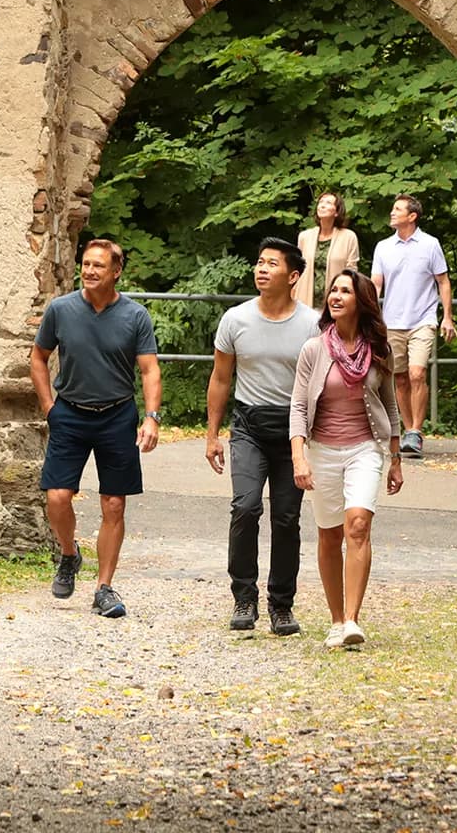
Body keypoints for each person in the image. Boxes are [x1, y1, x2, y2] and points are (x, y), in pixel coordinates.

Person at [29, 238, 162, 619]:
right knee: (57, 496)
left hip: (117, 416)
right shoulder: (61, 309)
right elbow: (38, 358)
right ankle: (69, 554)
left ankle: (104, 588)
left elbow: (149, 370)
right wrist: (49, 407)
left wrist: (151, 417)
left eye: (98, 266)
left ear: (116, 271)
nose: (89, 271)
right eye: (85, 264)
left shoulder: (135, 316)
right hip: (70, 413)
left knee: (114, 503)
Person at [205, 237, 320, 635]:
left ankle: (281, 604)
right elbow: (221, 378)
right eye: (259, 262)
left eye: (272, 264)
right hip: (249, 426)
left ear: (293, 276)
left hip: (292, 430)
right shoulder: (235, 319)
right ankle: (244, 596)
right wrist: (212, 434)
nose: (262, 269)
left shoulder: (311, 324)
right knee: (246, 506)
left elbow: (320, 385)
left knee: (286, 518)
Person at [289, 270, 404, 649]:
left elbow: (390, 405)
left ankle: (353, 620)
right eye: (333, 291)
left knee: (357, 526)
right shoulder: (313, 349)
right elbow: (298, 406)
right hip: (322, 450)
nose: (336, 296)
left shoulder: (379, 350)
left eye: (345, 291)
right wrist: (299, 457)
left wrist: (395, 457)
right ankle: (336, 619)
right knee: (329, 534)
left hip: (365, 449)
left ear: (362, 300)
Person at [370, 194, 455, 458]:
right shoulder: (383, 247)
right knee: (400, 377)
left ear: (412, 216)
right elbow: (375, 285)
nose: (392, 212)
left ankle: (416, 431)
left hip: (423, 320)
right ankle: (408, 432)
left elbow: (443, 281)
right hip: (392, 321)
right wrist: (369, 316)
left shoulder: (430, 244)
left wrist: (447, 317)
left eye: (397, 209)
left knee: (417, 373)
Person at [295, 190, 360, 310]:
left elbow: (352, 272)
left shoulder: (348, 237)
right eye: (321, 202)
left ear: (337, 212)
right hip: (305, 301)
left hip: (336, 302)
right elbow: (297, 269)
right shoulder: (305, 236)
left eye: (328, 203)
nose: (322, 205)